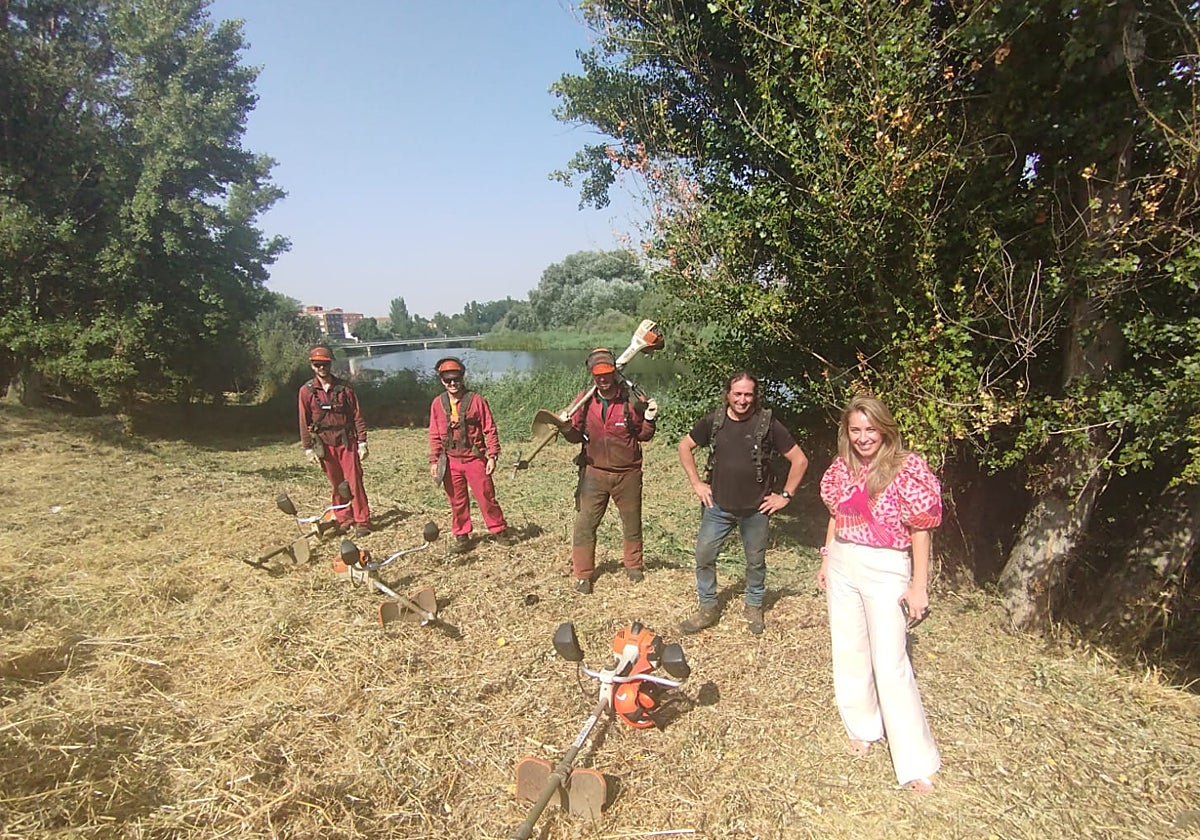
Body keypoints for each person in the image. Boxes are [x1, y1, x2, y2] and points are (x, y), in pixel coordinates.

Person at [817, 394, 942, 793]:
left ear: (885, 429)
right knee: (849, 648)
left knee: (890, 661)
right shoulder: (842, 467)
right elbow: (836, 515)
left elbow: (922, 528)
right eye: (855, 430)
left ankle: (915, 760)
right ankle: (862, 724)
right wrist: (826, 558)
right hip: (843, 560)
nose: (863, 437)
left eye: (870, 429)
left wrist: (918, 585)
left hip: (886, 565)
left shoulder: (907, 467)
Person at [676, 371, 809, 635]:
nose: (742, 399)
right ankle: (707, 607)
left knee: (755, 561)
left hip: (756, 509)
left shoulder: (768, 424)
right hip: (718, 506)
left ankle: (754, 604)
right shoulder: (714, 421)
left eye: (748, 394)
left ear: (755, 396)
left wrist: (785, 496)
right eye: (737, 393)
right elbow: (684, 447)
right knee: (704, 555)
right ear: (728, 394)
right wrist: (696, 484)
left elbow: (800, 460)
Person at [561, 348, 658, 594]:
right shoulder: (584, 400)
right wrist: (563, 426)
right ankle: (583, 575)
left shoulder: (631, 399)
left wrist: (649, 419)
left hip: (628, 473)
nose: (602, 379)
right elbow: (574, 437)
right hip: (594, 473)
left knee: (631, 522)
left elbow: (645, 436)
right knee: (584, 524)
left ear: (614, 372)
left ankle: (634, 566)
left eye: (606, 373)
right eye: (597, 375)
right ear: (592, 375)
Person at [428, 357, 518, 553]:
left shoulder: (476, 400)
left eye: (456, 379)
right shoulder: (437, 403)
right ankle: (461, 536)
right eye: (447, 380)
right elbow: (434, 433)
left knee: (486, 496)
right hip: (450, 460)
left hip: (474, 458)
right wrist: (434, 460)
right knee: (456, 500)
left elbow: (489, 429)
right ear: (442, 380)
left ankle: (499, 530)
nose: (452, 384)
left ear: (462, 377)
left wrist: (492, 456)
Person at [298, 345, 372, 537]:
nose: (321, 368)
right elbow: (303, 420)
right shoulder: (306, 392)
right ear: (312, 366)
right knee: (336, 482)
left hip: (347, 441)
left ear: (330, 364)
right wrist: (308, 448)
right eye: (317, 364)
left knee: (354, 481)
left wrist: (362, 441)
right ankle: (344, 519)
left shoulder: (345, 389)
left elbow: (357, 415)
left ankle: (362, 520)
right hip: (323, 443)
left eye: (325, 364)